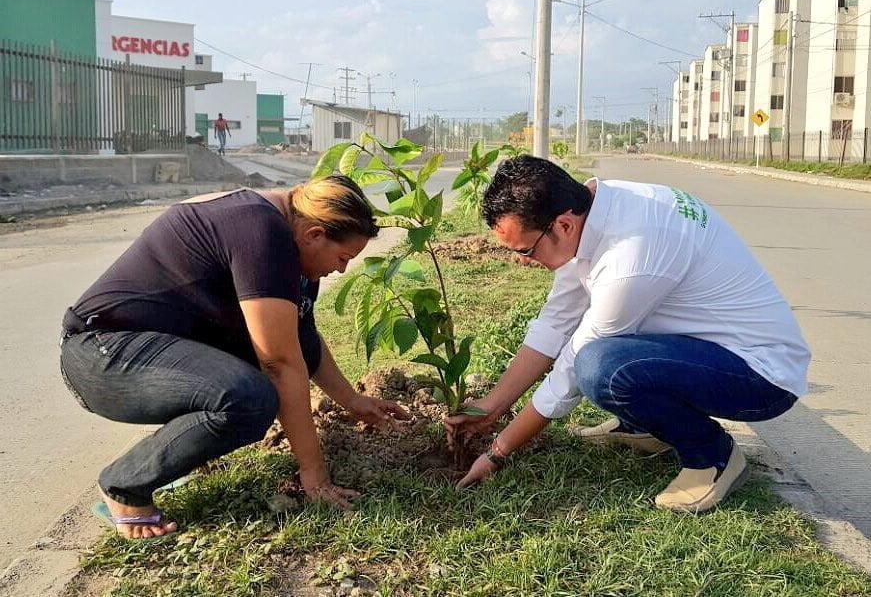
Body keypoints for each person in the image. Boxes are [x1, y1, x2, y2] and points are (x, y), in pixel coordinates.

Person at [447, 156, 810, 513]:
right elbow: (555, 321)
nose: (522, 260)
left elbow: (570, 370)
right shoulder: (595, 211)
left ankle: (712, 456)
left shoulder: (630, 255)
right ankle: (645, 427)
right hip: (708, 350)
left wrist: (498, 452)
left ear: (563, 226)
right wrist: (492, 406)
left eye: (525, 250)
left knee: (600, 367)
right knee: (603, 358)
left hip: (760, 376)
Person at [60, 176, 408, 539]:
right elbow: (280, 363)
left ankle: (180, 453)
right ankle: (124, 485)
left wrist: (352, 401)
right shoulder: (261, 230)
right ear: (315, 234)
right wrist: (315, 475)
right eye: (343, 258)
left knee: (260, 368)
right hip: (103, 355)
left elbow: (302, 341)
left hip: (144, 350)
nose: (341, 270)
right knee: (250, 399)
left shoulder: (290, 238)